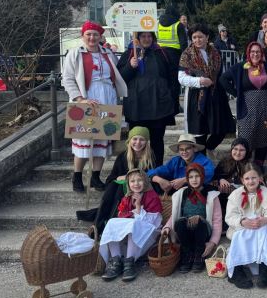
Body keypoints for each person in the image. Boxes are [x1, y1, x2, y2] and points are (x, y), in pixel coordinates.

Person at [62, 21, 128, 192]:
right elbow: (67, 78)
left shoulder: (108, 53)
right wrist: (80, 99)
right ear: (83, 36)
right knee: (84, 137)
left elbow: (118, 73)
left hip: (107, 97)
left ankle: (95, 177)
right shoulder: (75, 53)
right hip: (86, 97)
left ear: (100, 37)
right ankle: (77, 177)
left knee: (103, 137)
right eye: (88, 34)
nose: (92, 38)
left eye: (95, 34)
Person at [117, 31, 178, 164]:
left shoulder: (161, 53)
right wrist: (130, 66)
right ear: (137, 38)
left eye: (149, 36)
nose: (146, 39)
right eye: (143, 36)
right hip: (136, 107)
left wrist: (172, 99)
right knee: (136, 141)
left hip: (159, 107)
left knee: (157, 141)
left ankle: (157, 169)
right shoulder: (129, 54)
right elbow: (120, 78)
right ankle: (135, 170)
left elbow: (172, 78)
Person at [84, 127, 156, 235]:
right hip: (121, 188)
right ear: (129, 141)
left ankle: (106, 225)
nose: (138, 142)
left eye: (142, 139)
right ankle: (98, 225)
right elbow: (111, 178)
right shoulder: (123, 156)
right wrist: (119, 178)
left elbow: (152, 177)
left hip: (141, 188)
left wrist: (133, 179)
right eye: (135, 139)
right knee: (114, 186)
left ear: (146, 142)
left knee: (119, 189)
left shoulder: (151, 157)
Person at [220, 42, 267, 166]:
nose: (255, 54)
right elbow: (223, 79)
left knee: (264, 140)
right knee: (246, 139)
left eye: (258, 51)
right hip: (247, 110)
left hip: (266, 110)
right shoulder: (241, 67)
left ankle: (258, 168)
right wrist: (236, 93)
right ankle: (243, 168)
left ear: (261, 53)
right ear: (248, 53)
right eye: (252, 52)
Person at [178, 23, 235, 150]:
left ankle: (208, 149)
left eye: (200, 37)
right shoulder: (187, 54)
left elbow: (221, 73)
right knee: (200, 133)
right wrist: (200, 81)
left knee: (222, 129)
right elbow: (181, 78)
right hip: (197, 97)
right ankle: (201, 156)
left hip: (216, 94)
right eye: (194, 37)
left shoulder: (215, 52)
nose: (197, 40)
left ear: (207, 37)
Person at [99, 169, 162, 282]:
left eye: (139, 180)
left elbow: (153, 221)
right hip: (133, 226)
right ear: (128, 183)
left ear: (145, 181)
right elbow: (121, 214)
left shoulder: (152, 196)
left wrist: (138, 206)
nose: (136, 184)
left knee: (133, 225)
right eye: (132, 181)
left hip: (149, 230)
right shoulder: (127, 197)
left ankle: (129, 263)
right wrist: (132, 215)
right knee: (112, 222)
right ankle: (116, 261)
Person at [225, 163, 267, 289]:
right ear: (242, 180)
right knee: (240, 233)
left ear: (260, 178)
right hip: (242, 227)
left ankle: (264, 269)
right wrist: (242, 221)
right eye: (247, 178)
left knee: (262, 231)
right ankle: (236, 271)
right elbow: (230, 216)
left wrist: (266, 219)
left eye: (254, 178)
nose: (251, 181)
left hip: (261, 227)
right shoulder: (236, 195)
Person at [161, 163, 223, 273]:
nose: (194, 180)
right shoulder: (182, 193)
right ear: (187, 178)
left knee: (199, 221)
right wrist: (167, 227)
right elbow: (174, 215)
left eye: (197, 176)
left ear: (202, 176)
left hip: (202, 230)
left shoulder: (211, 195)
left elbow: (217, 220)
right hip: (185, 231)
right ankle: (187, 255)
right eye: (191, 177)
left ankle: (199, 255)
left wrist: (213, 242)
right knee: (180, 222)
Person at [148, 134, 214, 193]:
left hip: (196, 192)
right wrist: (159, 180)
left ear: (194, 149)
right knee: (154, 181)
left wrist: (184, 180)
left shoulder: (203, 160)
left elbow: (208, 174)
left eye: (187, 148)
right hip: (177, 191)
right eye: (181, 149)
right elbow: (153, 171)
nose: (184, 152)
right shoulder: (175, 161)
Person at [211, 137, 252, 231]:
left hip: (242, 194)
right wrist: (221, 179)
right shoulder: (224, 162)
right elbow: (215, 176)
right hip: (225, 193)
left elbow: (255, 181)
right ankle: (222, 221)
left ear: (246, 151)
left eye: (242, 150)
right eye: (235, 149)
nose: (238, 153)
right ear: (231, 149)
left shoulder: (250, 165)